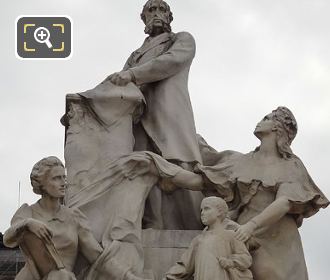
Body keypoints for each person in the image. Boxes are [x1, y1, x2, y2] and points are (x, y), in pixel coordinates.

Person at [192, 107, 329, 279]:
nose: (260, 121)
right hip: (243, 235)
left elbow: (284, 201)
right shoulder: (243, 161)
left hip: (277, 236)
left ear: (276, 127)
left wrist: (251, 226)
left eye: (266, 118)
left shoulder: (291, 165)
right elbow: (204, 179)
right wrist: (163, 168)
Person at [106, 0, 203, 230]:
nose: (157, 13)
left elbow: (169, 63)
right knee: (143, 169)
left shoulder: (181, 39)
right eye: (151, 10)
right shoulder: (136, 55)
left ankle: (198, 226)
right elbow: (120, 85)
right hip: (140, 117)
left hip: (170, 113)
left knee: (180, 165)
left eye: (162, 9)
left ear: (170, 16)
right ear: (143, 18)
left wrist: (132, 74)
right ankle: (152, 223)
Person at [3, 156, 148, 280]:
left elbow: (96, 256)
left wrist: (128, 277)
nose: (63, 183)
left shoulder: (73, 216)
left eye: (64, 178)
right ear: (42, 184)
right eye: (56, 178)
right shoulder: (28, 212)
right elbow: (8, 238)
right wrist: (28, 223)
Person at [164, 196, 253, 280]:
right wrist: (169, 277)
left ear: (219, 211)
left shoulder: (231, 235)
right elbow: (185, 266)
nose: (202, 213)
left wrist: (230, 262)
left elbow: (246, 258)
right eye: (201, 210)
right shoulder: (198, 240)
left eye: (207, 209)